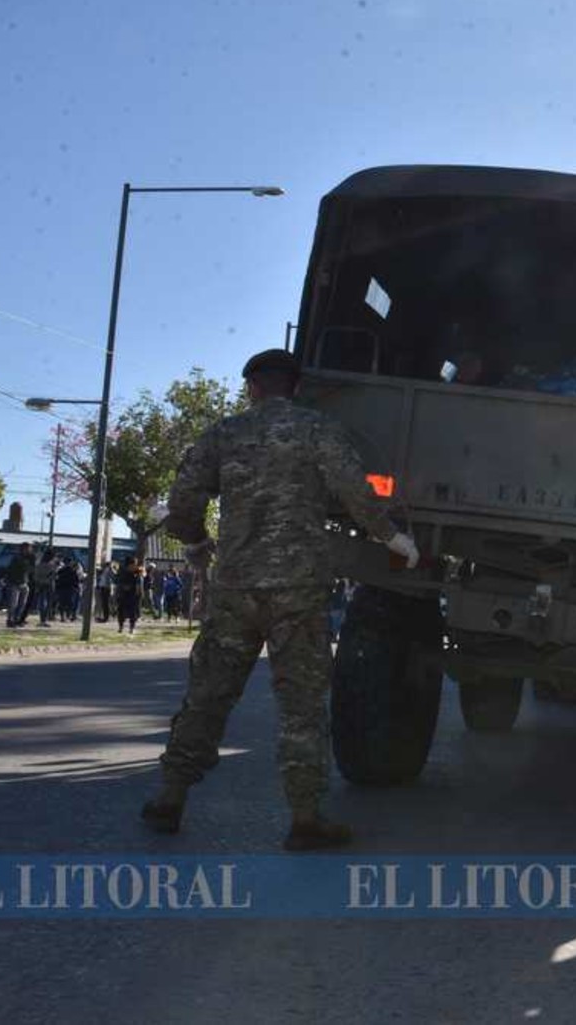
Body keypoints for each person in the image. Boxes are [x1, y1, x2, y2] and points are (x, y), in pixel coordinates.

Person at [142, 348, 420, 852]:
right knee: (302, 704)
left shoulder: (224, 433)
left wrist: (198, 542)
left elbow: (182, 499)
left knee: (207, 696)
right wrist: (389, 536)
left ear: (252, 387)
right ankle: (306, 818)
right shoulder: (317, 430)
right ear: (295, 387)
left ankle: (169, 799)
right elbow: (355, 491)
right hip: (297, 590)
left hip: (235, 587)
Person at [3, 543, 33, 626]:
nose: (28, 550)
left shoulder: (29, 558)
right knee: (13, 603)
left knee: (22, 604)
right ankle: (10, 619)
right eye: (27, 549)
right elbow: (19, 569)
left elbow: (30, 570)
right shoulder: (17, 558)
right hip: (14, 583)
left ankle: (17, 619)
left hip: (24, 582)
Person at [115, 555, 143, 634]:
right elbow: (118, 581)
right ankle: (121, 627)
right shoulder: (122, 572)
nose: (135, 566)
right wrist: (123, 587)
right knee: (121, 611)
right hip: (122, 594)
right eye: (134, 564)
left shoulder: (137, 572)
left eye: (136, 564)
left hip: (133, 595)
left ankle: (132, 628)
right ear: (129, 565)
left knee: (133, 612)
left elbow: (142, 576)